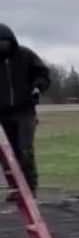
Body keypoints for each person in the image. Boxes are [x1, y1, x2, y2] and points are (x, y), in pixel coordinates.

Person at [0, 23, 51, 195]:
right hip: (2, 114)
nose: (2, 46)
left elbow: (43, 74)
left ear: (11, 41)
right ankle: (16, 189)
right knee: (8, 154)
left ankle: (30, 188)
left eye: (5, 42)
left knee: (25, 150)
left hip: (25, 111)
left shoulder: (26, 55)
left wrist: (37, 87)